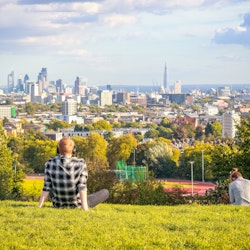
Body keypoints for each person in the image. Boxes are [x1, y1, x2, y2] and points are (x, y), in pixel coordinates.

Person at [38, 137, 109, 211]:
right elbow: (82, 187)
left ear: (58, 150)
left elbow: (47, 187)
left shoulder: (50, 162)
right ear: (73, 150)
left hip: (58, 204)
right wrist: (85, 209)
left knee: (51, 184)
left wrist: (39, 206)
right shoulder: (80, 163)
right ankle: (82, 203)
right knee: (105, 192)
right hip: (76, 204)